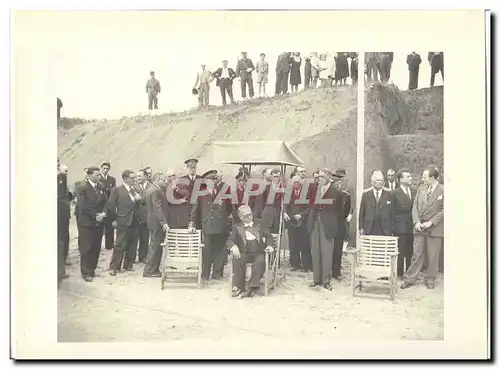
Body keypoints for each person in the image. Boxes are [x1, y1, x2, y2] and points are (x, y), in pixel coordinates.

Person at [401, 166, 444, 290]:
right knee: (416, 254)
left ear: (432, 177)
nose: (422, 179)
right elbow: (415, 207)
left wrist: (431, 222)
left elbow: (444, 210)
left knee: (433, 255)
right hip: (419, 228)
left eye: (425, 177)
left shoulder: (443, 190)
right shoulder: (421, 189)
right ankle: (410, 279)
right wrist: (416, 222)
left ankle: (430, 279)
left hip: (434, 229)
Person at [188, 170, 232, 281]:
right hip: (207, 225)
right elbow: (195, 208)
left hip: (221, 225)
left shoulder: (223, 190)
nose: (213, 182)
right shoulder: (201, 192)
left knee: (220, 250)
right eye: (211, 180)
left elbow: (229, 207)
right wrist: (192, 222)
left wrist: (227, 220)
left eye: (214, 180)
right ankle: (205, 274)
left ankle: (217, 274)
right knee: (207, 251)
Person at [226, 205, 275, 298]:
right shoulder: (237, 227)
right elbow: (230, 240)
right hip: (244, 252)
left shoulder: (260, 223)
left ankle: (251, 287)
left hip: (259, 252)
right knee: (237, 259)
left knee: (260, 262)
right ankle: (239, 286)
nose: (250, 217)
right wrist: (233, 246)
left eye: (250, 214)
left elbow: (269, 236)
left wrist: (269, 246)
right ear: (240, 217)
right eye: (246, 216)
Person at [306, 169, 343, 290]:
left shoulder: (336, 192)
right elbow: (310, 205)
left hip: (328, 224)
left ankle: (326, 280)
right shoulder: (315, 189)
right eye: (318, 177)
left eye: (322, 176)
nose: (319, 179)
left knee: (327, 252)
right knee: (315, 251)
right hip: (314, 223)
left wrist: (335, 225)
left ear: (328, 177)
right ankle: (316, 279)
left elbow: (340, 211)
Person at [105, 170, 142, 276]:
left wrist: (139, 199)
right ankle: (114, 267)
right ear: (125, 178)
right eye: (132, 177)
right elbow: (111, 206)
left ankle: (128, 264)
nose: (134, 179)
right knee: (120, 244)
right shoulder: (117, 190)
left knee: (133, 243)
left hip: (135, 220)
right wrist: (114, 219)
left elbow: (140, 203)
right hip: (123, 220)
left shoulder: (134, 189)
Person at [75, 167, 108, 282]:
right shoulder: (81, 187)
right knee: (86, 247)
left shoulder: (101, 187)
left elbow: (106, 202)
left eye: (99, 175)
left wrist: (103, 213)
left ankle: (92, 270)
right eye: (96, 175)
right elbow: (83, 206)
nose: (99, 177)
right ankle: (86, 272)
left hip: (99, 222)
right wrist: (95, 216)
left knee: (96, 247)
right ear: (89, 175)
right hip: (86, 222)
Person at [143, 172, 170, 278]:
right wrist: (164, 222)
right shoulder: (155, 191)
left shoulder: (153, 189)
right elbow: (157, 207)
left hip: (154, 222)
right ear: (157, 180)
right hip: (156, 223)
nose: (165, 181)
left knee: (156, 246)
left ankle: (153, 269)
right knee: (155, 247)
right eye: (163, 179)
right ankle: (149, 271)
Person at [284, 175, 312, 272]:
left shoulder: (306, 192)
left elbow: (310, 207)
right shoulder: (289, 192)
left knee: (305, 244)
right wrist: (284, 213)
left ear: (301, 182)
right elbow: (285, 204)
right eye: (294, 182)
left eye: (298, 182)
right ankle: (295, 264)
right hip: (292, 221)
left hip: (303, 221)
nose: (296, 184)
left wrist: (302, 215)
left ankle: (306, 265)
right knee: (293, 243)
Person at [392, 169, 417, 277]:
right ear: (401, 179)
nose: (410, 178)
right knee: (401, 250)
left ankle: (409, 272)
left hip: (411, 224)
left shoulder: (414, 191)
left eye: (410, 176)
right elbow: (391, 211)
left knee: (410, 250)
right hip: (400, 226)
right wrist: (393, 227)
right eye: (407, 176)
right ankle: (399, 272)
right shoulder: (394, 193)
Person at [358, 170, 394, 236]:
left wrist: (392, 229)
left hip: (385, 229)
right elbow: (362, 213)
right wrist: (361, 228)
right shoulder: (366, 195)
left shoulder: (389, 194)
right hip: (369, 228)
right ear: (372, 182)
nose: (380, 182)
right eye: (377, 180)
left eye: (381, 180)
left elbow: (393, 212)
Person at [331, 172, 351, 281]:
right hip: (329, 223)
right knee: (329, 248)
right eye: (336, 180)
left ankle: (336, 271)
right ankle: (327, 270)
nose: (338, 182)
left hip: (340, 224)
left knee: (338, 248)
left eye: (340, 180)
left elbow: (347, 210)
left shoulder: (346, 195)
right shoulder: (328, 193)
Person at [178, 158, 202, 229]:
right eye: (191, 168)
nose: (193, 169)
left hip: (198, 211)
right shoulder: (182, 180)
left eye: (194, 167)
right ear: (187, 168)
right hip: (186, 210)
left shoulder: (201, 179)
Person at [134, 169, 152, 263]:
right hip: (136, 216)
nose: (138, 178)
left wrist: (140, 199)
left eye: (139, 176)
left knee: (145, 237)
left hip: (146, 216)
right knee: (133, 238)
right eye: (137, 176)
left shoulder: (151, 187)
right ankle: (131, 258)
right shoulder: (134, 186)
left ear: (145, 176)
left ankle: (143, 256)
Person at [99, 162, 116, 250]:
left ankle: (109, 244)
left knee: (110, 226)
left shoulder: (112, 179)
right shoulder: (98, 178)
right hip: (100, 204)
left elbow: (114, 191)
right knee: (99, 226)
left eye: (107, 168)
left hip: (109, 204)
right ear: (101, 168)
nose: (105, 170)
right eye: (104, 168)